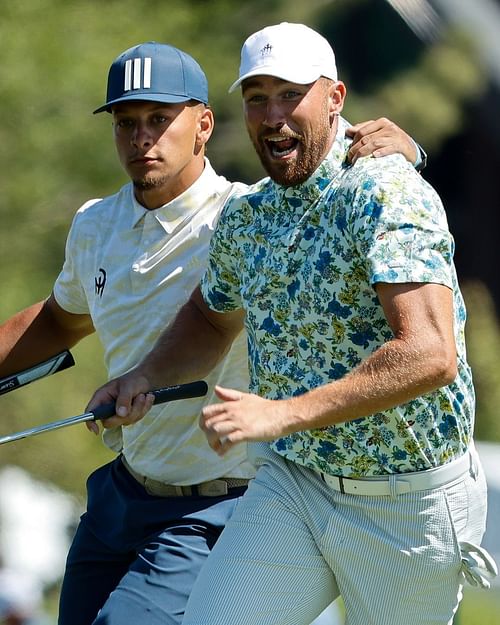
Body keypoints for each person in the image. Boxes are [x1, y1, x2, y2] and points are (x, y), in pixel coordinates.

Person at [0, 40, 425, 625]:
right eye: (126, 123)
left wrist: (405, 152)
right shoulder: (95, 224)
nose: (140, 138)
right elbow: (59, 320)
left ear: (202, 126)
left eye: (158, 119)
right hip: (121, 496)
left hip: (217, 509)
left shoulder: (247, 218)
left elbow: (330, 180)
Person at [88, 23, 497, 625]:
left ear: (335, 98)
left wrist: (279, 413)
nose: (272, 115)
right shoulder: (249, 217)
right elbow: (210, 313)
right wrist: (142, 375)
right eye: (257, 98)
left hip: (406, 502)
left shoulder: (385, 191)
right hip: (294, 485)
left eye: (291, 94)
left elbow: (429, 354)